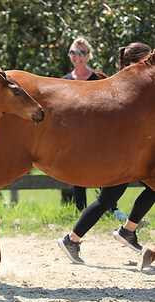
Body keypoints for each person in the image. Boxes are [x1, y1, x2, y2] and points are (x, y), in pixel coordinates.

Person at [57, 42, 154, 264]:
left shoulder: (136, 86)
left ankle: (74, 240)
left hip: (130, 154)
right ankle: (124, 231)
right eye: (147, 61)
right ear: (133, 63)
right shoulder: (130, 88)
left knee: (108, 198)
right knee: (108, 198)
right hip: (124, 155)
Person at [60, 37, 127, 219]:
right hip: (74, 136)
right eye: (74, 52)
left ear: (88, 55)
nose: (77, 56)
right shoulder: (64, 81)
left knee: (104, 172)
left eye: (82, 52)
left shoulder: (98, 78)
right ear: (69, 55)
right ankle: (80, 212)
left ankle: (111, 210)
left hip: (98, 136)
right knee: (77, 174)